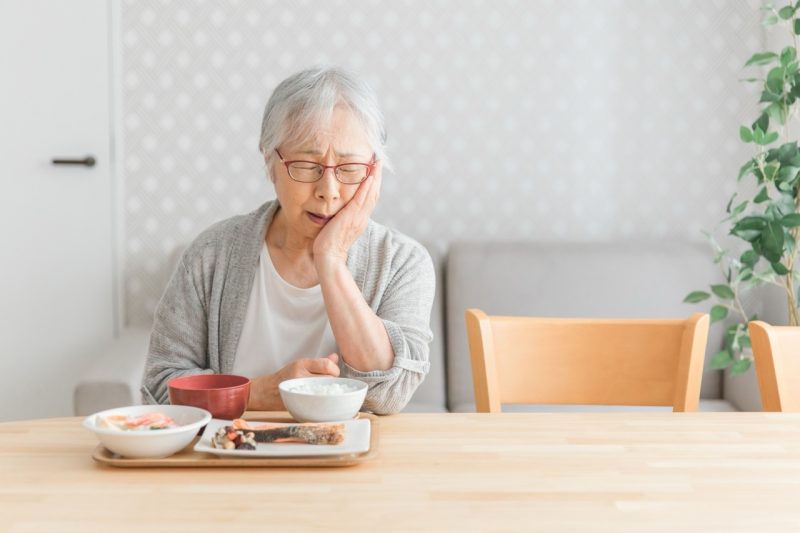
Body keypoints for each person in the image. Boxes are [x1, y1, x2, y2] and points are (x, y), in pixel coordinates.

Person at [141, 67, 435, 415]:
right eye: (306, 166)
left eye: (349, 169)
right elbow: (159, 388)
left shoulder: (403, 262)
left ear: (375, 170)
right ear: (270, 160)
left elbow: (389, 395)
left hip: (354, 451)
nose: (328, 191)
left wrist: (330, 258)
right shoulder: (212, 255)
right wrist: (256, 394)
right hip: (232, 449)